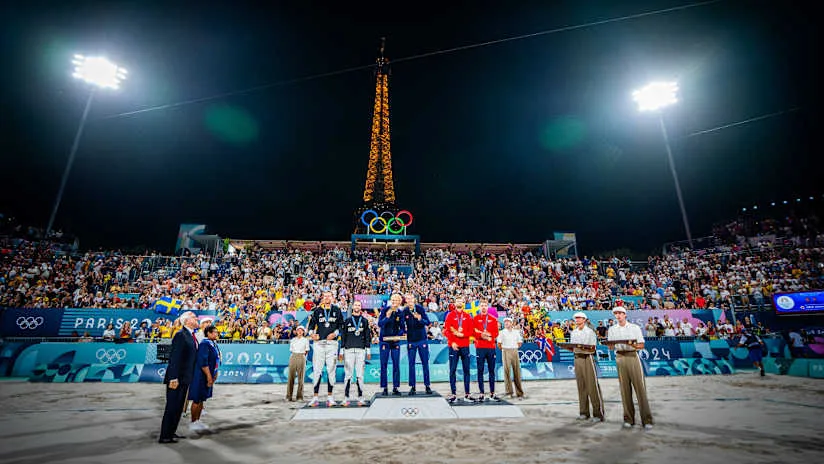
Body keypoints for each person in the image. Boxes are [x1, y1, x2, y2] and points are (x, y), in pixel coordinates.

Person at [607, 306, 653, 430]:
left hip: (633, 356)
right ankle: (628, 419)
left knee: (640, 389)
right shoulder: (612, 329)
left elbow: (641, 345)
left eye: (620, 313)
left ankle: (646, 420)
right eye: (616, 313)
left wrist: (630, 344)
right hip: (620, 357)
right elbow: (611, 348)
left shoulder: (634, 328)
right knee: (624, 389)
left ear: (625, 314)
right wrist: (610, 345)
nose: (618, 315)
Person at [158, 311, 199, 444]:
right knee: (172, 406)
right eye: (194, 317)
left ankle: (171, 432)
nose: (196, 318)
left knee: (179, 407)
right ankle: (165, 435)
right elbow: (174, 358)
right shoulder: (181, 335)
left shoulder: (191, 335)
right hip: (177, 378)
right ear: (186, 321)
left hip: (185, 377)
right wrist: (173, 377)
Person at [306, 291, 344, 407]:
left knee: (331, 370)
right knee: (317, 370)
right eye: (325, 296)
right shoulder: (317, 311)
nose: (327, 297)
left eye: (329, 296)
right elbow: (311, 326)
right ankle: (315, 397)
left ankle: (330, 397)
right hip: (319, 344)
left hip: (332, 344)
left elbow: (341, 325)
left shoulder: (337, 310)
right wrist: (312, 334)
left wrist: (335, 334)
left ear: (332, 298)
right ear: (323, 298)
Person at [565, 312, 603, 422]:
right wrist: (568, 347)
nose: (576, 319)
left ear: (584, 319)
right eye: (575, 318)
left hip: (588, 358)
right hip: (577, 358)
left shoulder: (590, 332)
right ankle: (584, 412)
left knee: (592, 386)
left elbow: (593, 348)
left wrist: (582, 348)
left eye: (578, 318)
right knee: (581, 386)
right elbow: (573, 347)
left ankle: (598, 413)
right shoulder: (574, 332)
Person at [188, 325, 220, 432]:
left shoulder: (212, 344)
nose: (217, 334)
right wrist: (209, 376)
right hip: (201, 376)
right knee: (197, 399)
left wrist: (215, 373)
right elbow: (203, 362)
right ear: (208, 333)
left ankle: (197, 421)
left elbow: (215, 360)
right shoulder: (204, 345)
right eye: (215, 332)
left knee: (202, 398)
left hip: (207, 375)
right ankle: (193, 422)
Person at [444, 297, 475, 403]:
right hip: (454, 346)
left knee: (467, 370)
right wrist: (452, 342)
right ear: (455, 303)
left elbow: (471, 331)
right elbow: (447, 331)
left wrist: (462, 334)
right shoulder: (450, 315)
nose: (459, 302)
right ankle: (453, 394)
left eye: (461, 301)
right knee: (452, 370)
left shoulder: (467, 316)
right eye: (457, 301)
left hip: (465, 346)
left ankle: (467, 394)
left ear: (463, 303)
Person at [340, 301, 372, 406]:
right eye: (355, 305)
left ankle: (361, 397)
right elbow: (343, 336)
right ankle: (345, 398)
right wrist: (341, 350)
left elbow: (368, 336)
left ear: (361, 307)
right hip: (348, 350)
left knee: (360, 375)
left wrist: (368, 350)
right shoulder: (347, 321)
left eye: (359, 305)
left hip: (361, 350)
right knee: (348, 375)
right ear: (352, 307)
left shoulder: (365, 321)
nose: (357, 307)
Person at [403, 293, 432, 395]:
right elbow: (402, 325)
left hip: (422, 339)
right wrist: (403, 331)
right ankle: (412, 386)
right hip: (411, 341)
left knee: (425, 363)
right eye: (408, 298)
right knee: (411, 364)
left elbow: (427, 322)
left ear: (414, 299)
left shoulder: (420, 308)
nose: (409, 300)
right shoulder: (405, 311)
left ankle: (427, 385)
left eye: (411, 298)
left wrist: (420, 319)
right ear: (406, 300)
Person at [378, 294, 405, 396]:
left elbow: (402, 328)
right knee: (383, 365)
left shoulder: (400, 313)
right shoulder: (385, 310)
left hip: (395, 342)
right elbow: (380, 324)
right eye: (392, 300)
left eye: (396, 300)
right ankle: (384, 387)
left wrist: (398, 336)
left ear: (399, 302)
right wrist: (387, 317)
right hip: (384, 341)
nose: (394, 302)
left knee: (396, 365)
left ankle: (395, 387)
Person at [473, 298, 500, 402]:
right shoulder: (475, 318)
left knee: (491, 371)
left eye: (485, 305)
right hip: (480, 348)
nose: (483, 307)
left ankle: (492, 393)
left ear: (487, 307)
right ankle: (481, 393)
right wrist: (481, 335)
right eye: (482, 305)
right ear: (479, 307)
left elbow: (496, 333)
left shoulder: (493, 319)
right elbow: (472, 332)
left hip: (491, 348)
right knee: (480, 371)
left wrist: (489, 335)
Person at [497, 317, 524, 399]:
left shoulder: (516, 332)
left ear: (511, 323)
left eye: (508, 322)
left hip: (514, 351)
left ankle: (519, 393)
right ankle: (509, 392)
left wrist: (513, 347)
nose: (506, 323)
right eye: (505, 322)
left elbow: (519, 343)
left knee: (517, 372)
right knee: (507, 371)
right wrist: (505, 349)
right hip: (506, 351)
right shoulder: (501, 332)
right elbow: (499, 344)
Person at [287, 326, 309, 402]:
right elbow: (291, 350)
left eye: (301, 330)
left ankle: (299, 397)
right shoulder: (293, 340)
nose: (299, 332)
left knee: (301, 378)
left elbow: (306, 351)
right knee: (290, 377)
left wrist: (302, 356)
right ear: (296, 331)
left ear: (303, 332)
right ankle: (289, 396)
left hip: (301, 356)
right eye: (298, 330)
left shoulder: (305, 340)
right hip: (293, 356)